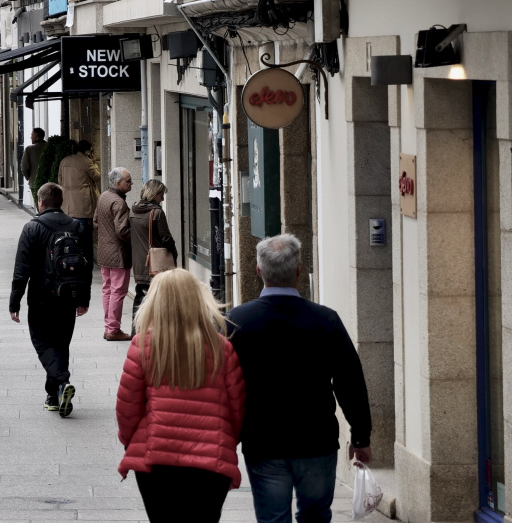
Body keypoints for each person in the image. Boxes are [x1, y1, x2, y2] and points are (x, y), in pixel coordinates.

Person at [228, 234, 372, 523]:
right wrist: (360, 435)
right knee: (316, 516)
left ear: (258, 271)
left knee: (272, 518)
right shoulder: (326, 320)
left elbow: (223, 385)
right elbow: (349, 380)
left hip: (262, 440)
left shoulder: (236, 322)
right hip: (315, 439)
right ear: (298, 270)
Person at [117, 269, 246, 523]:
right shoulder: (222, 348)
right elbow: (237, 408)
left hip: (157, 461)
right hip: (210, 462)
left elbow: (127, 407)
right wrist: (225, 441)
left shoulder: (143, 345)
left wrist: (130, 441)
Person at [9, 182, 92, 417]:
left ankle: (62, 382)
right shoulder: (77, 226)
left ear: (41, 202)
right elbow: (87, 267)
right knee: (60, 343)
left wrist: (14, 302)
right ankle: (53, 395)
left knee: (43, 342)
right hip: (69, 295)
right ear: (61, 201)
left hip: (41, 296)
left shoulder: (32, 228)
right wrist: (84, 299)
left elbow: (21, 268)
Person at [94, 167, 135, 341]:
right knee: (118, 292)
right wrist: (137, 238)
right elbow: (123, 231)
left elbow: (96, 222)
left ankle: (109, 326)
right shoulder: (119, 203)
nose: (131, 183)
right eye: (128, 181)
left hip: (104, 251)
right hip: (118, 253)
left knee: (108, 290)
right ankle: (113, 329)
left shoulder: (103, 196)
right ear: (118, 183)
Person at [129, 179, 178, 319]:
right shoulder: (157, 213)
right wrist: (174, 253)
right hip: (155, 263)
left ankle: (136, 331)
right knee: (158, 299)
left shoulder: (133, 210)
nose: (162, 198)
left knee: (140, 297)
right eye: (161, 195)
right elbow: (166, 238)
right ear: (154, 194)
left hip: (139, 263)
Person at [57, 139, 101, 227]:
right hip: (82, 200)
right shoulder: (87, 162)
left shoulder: (64, 161)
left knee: (69, 228)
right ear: (87, 151)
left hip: (67, 200)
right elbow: (97, 177)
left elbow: (60, 180)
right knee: (83, 229)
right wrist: (94, 163)